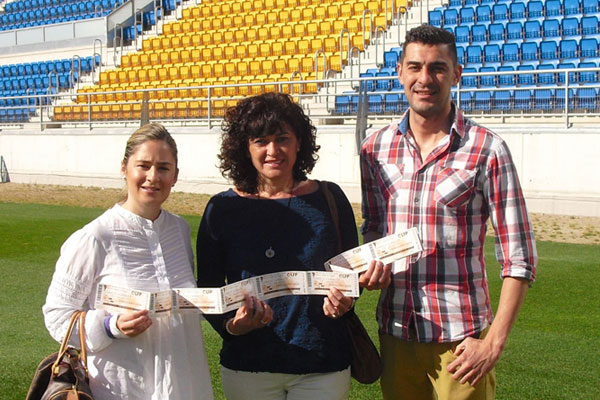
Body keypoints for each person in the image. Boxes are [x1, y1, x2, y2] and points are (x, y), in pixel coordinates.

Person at [360, 25, 538, 400]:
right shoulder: (374, 149)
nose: (425, 79)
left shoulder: (488, 149)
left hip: (461, 343)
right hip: (395, 332)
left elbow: (519, 257)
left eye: (438, 68)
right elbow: (373, 232)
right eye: (415, 67)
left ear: (457, 73)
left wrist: (492, 344)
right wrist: (370, 269)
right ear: (399, 72)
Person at [196, 92, 389, 400]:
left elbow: (349, 276)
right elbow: (207, 287)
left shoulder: (330, 198)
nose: (273, 150)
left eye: (282, 138)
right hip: (248, 367)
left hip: (322, 365)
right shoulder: (221, 209)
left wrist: (346, 299)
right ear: (245, 148)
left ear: (299, 142)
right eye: (261, 141)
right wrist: (233, 326)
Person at [43, 123, 213, 400]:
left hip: (186, 382)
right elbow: (57, 316)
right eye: (143, 166)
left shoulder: (180, 230)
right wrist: (111, 327)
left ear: (176, 175)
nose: (152, 177)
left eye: (163, 168)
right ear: (125, 169)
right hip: (121, 386)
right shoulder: (94, 237)